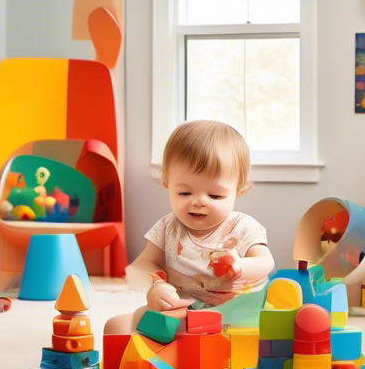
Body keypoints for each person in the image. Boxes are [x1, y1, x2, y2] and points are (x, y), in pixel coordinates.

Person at [104, 121, 275, 334]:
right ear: (167, 184)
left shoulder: (242, 227)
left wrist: (239, 267)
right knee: (118, 326)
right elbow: (141, 265)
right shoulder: (169, 228)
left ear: (238, 190)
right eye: (184, 193)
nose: (198, 201)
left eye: (215, 195)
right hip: (183, 310)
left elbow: (265, 262)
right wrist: (156, 285)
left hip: (236, 316)